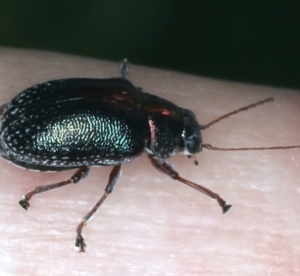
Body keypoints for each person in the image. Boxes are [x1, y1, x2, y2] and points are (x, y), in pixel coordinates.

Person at [0, 47, 299, 275]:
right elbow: (174, 177)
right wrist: (217, 197)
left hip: (27, 107)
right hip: (28, 131)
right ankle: (65, 213)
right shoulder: (131, 141)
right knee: (85, 180)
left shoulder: (126, 91)